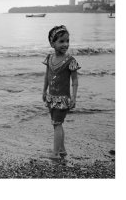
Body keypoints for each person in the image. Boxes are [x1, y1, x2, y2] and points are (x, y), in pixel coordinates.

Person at [42, 25, 80, 159]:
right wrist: (44, 91)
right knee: (56, 124)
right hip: (51, 98)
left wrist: (74, 97)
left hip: (62, 99)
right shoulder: (49, 58)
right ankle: (62, 150)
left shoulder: (70, 61)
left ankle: (55, 153)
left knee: (57, 124)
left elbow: (74, 81)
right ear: (52, 43)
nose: (66, 44)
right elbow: (47, 76)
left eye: (67, 41)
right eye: (62, 41)